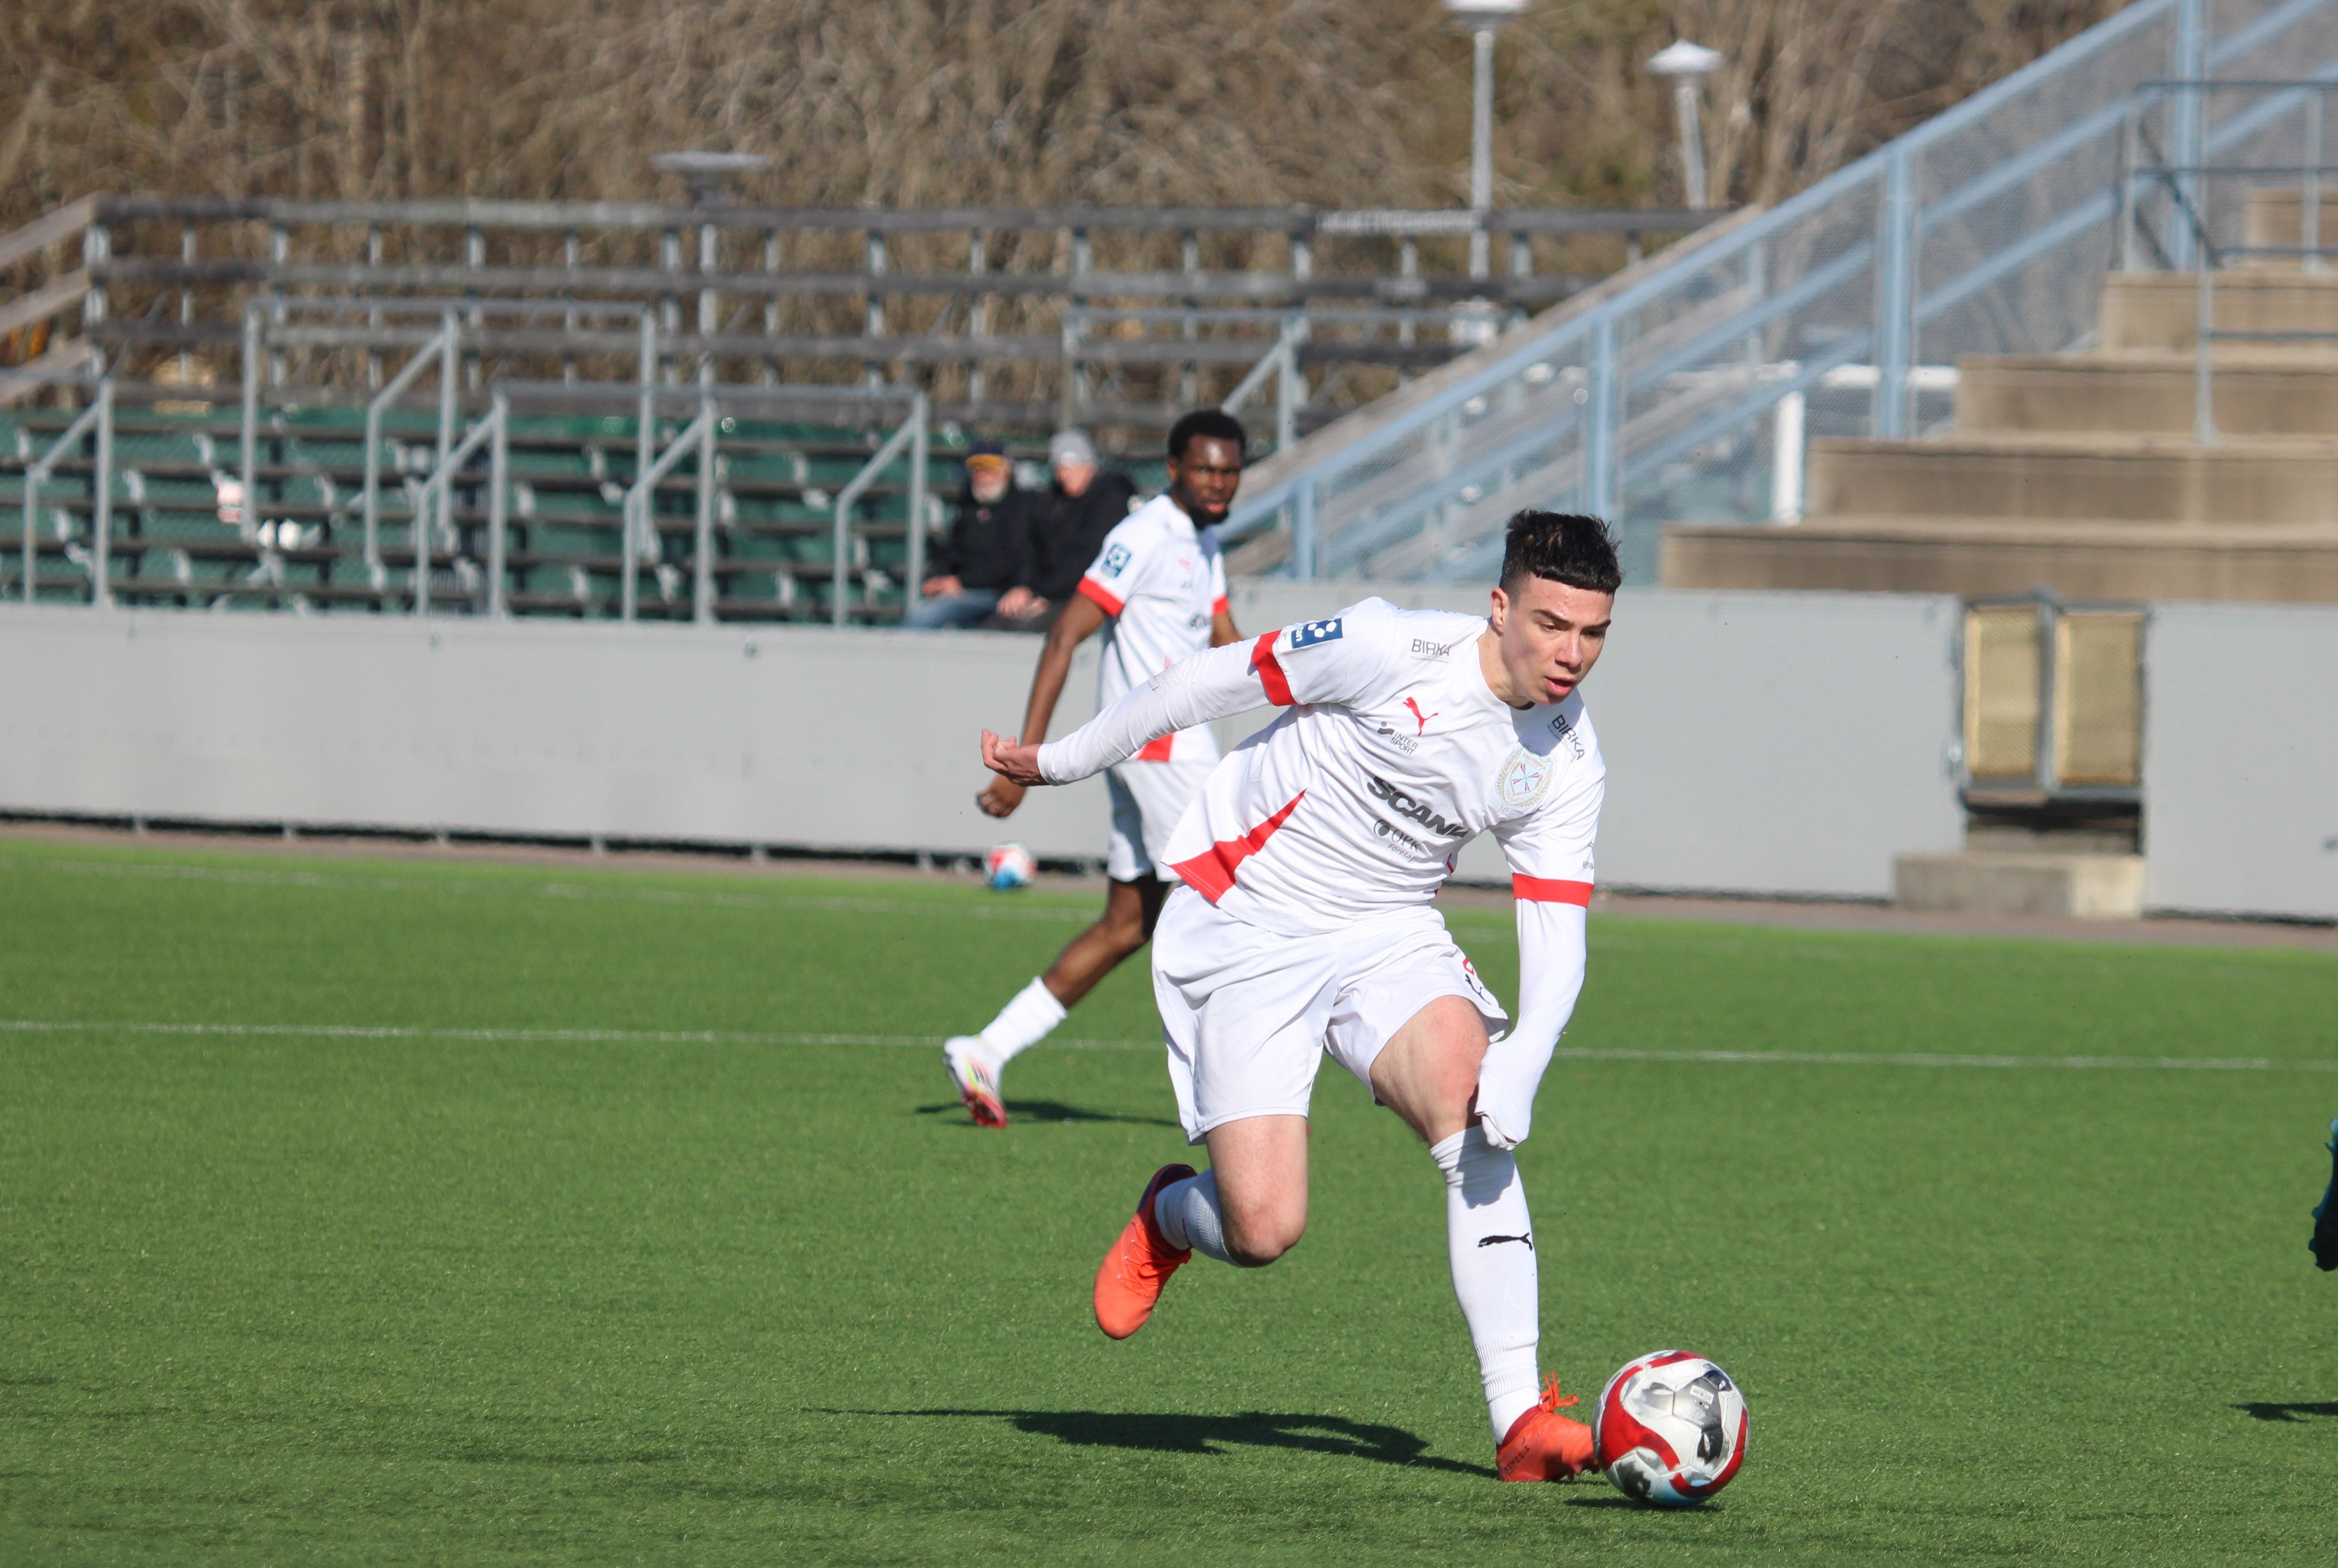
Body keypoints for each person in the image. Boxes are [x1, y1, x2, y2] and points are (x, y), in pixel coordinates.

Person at [979, 510, 1622, 1484]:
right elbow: (1206, 680)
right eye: (1548, 624)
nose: (1569, 653)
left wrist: (1524, 1054)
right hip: (1247, 919)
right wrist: (1063, 760)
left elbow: (1556, 934)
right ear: (1498, 608)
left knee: (1475, 1117)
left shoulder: (1566, 759)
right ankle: (1168, 1218)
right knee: (1264, 1229)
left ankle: (1518, 1418)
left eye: (1591, 633)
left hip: (1388, 931)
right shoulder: (1384, 647)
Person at [940, 411, 1249, 1126]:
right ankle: (1222, 1095)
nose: (1217, 482)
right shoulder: (1141, 537)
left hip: (1155, 756)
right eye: (1204, 469)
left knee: (1125, 923)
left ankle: (987, 1048)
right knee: (1224, 905)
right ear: (1172, 468)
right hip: (1160, 751)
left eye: (1229, 470)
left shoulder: (1204, 540)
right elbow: (1063, 635)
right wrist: (1025, 764)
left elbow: (1231, 641)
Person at [998, 430, 1140, 627]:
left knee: (1030, 627)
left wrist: (1044, 593)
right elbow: (1033, 548)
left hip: (1091, 596)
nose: (1064, 475)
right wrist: (1024, 587)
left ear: (1088, 465)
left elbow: (1088, 559)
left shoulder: (1110, 500)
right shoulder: (1054, 502)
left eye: (1071, 467)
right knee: (1001, 620)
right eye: (1060, 468)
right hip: (1052, 591)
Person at [905, 441, 1040, 629]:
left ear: (1006, 471)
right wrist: (941, 578)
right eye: (977, 469)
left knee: (925, 617)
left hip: (1001, 592)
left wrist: (961, 583)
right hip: (969, 590)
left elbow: (1010, 562)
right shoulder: (967, 507)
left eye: (989, 469)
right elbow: (953, 551)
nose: (982, 476)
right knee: (926, 609)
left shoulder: (1024, 507)